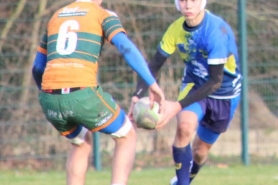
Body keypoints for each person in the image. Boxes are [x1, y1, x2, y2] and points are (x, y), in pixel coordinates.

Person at [32, 0, 165, 185]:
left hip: (48, 97)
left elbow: (38, 67)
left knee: (80, 144)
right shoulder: (102, 14)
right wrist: (151, 83)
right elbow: (125, 47)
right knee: (126, 135)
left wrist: (49, 95)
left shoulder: (56, 16)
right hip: (81, 93)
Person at [128, 0, 242, 184]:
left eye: (193, 0)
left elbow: (215, 81)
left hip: (224, 94)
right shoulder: (175, 29)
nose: (188, 5)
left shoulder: (216, 31)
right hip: (194, 85)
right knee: (184, 128)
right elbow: (154, 66)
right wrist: (136, 94)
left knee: (200, 152)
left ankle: (187, 177)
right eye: (183, 0)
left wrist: (176, 106)